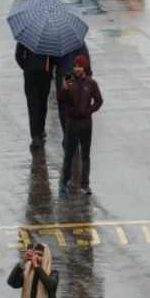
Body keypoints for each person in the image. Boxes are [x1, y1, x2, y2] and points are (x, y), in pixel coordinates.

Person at [58, 55, 103, 195]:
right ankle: (64, 182)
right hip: (71, 123)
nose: (77, 69)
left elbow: (99, 101)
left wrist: (90, 110)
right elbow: (60, 100)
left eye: (80, 66)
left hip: (86, 124)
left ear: (85, 68)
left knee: (85, 155)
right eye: (75, 66)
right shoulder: (68, 82)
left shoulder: (91, 83)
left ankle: (85, 184)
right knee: (69, 154)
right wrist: (64, 89)